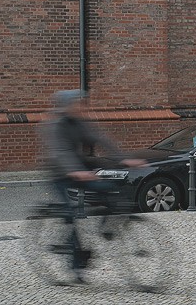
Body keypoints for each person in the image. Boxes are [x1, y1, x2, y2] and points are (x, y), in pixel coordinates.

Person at [40, 90, 145, 283]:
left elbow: (102, 140)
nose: (82, 107)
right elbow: (60, 151)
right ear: (68, 105)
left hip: (80, 169)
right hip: (60, 174)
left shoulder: (80, 122)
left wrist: (126, 159)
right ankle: (76, 267)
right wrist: (75, 171)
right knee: (71, 215)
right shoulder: (56, 125)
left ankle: (105, 228)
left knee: (110, 189)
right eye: (78, 104)